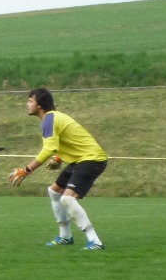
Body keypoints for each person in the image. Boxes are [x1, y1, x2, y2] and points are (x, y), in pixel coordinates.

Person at [8, 87, 108, 250]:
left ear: (39, 105)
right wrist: (59, 158)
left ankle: (95, 241)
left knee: (67, 199)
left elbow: (48, 149)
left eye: (30, 101)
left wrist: (26, 170)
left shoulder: (50, 119)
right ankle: (65, 236)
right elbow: (70, 140)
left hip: (91, 160)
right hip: (79, 160)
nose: (27, 104)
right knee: (54, 192)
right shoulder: (53, 118)